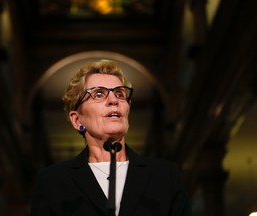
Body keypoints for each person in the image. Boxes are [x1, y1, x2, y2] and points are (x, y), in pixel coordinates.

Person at [30, 60, 191, 216]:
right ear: (77, 120)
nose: (114, 100)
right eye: (99, 94)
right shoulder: (52, 182)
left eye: (120, 94)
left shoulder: (166, 176)